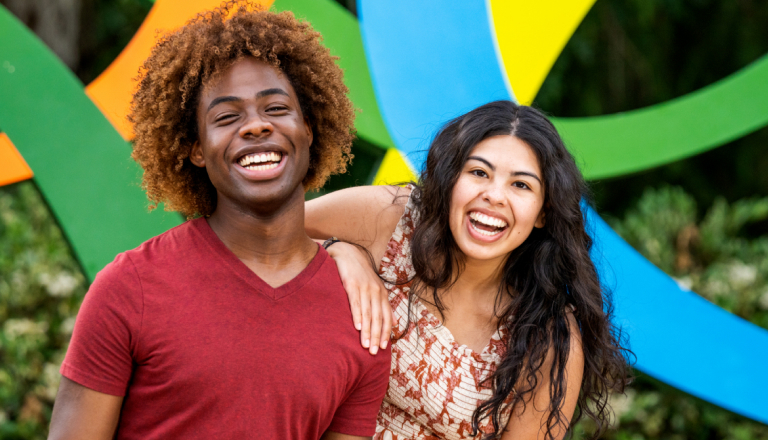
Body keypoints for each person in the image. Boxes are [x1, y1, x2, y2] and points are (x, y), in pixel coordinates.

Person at [48, 3, 390, 439]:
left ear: (309, 128)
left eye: (277, 108)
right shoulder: (128, 287)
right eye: (227, 117)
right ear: (194, 148)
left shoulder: (362, 315)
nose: (255, 127)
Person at [306, 101, 631, 439]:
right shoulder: (392, 220)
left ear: (542, 213)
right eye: (478, 173)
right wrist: (338, 252)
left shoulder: (547, 337)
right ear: (450, 179)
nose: (493, 195)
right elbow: (262, 234)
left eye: (520, 185)